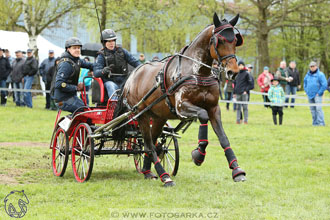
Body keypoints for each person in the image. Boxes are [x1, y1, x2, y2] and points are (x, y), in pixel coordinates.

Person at [94, 29, 141, 100]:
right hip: (110, 81)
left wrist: (143, 67)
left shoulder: (122, 51)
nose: (111, 43)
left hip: (124, 80)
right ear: (104, 42)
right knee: (111, 86)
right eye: (109, 41)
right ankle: (115, 106)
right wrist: (103, 71)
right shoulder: (101, 55)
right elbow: (96, 73)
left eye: (113, 40)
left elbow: (135, 62)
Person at [54, 37, 94, 113]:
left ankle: (74, 123)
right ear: (68, 49)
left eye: (79, 48)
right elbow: (59, 84)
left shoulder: (77, 60)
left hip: (71, 97)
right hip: (62, 100)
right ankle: (73, 124)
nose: (77, 50)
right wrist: (76, 88)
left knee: (88, 110)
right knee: (86, 112)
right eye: (74, 48)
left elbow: (90, 65)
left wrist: (97, 68)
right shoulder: (66, 64)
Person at [304, 61, 327, 126]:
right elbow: (305, 83)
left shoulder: (320, 74)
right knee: (312, 110)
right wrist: (306, 90)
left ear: (316, 66)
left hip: (317, 95)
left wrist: (319, 92)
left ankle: (321, 123)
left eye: (313, 66)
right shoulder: (307, 75)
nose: (312, 67)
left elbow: (324, 85)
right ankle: (315, 123)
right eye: (311, 66)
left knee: (318, 109)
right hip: (310, 95)